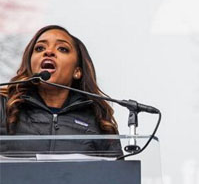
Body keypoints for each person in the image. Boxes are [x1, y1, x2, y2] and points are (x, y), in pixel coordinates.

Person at [0, 24, 121, 156]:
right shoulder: (4, 105)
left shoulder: (98, 119)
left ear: (77, 72)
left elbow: (114, 175)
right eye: (40, 48)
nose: (48, 52)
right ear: (30, 65)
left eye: (62, 49)